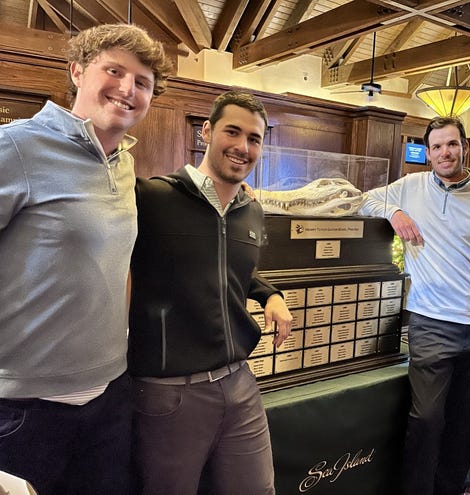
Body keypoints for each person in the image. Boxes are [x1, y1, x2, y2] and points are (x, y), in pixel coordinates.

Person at [0, 24, 171, 495]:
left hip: (110, 396)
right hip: (23, 408)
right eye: (113, 70)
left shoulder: (125, 161)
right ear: (77, 70)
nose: (127, 89)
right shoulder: (16, 147)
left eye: (142, 83)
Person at [128, 90, 293, 495]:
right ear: (206, 132)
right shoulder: (152, 198)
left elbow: (234, 271)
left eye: (254, 139)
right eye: (232, 132)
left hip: (240, 383)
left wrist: (270, 293)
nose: (242, 147)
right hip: (170, 392)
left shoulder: (250, 211)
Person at [359, 116, 470, 495]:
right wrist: (393, 212)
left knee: (465, 422)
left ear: (465, 147)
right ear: (427, 154)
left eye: (452, 144)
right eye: (438, 146)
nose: (446, 152)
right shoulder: (410, 187)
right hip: (431, 324)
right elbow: (366, 199)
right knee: (427, 418)